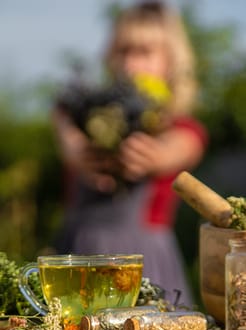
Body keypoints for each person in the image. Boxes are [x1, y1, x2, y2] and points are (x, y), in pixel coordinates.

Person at [51, 1, 208, 307]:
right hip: (78, 253)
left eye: (145, 52)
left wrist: (152, 154)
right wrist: (74, 147)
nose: (131, 64)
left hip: (143, 266)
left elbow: (181, 147)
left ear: (171, 62)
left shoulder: (180, 128)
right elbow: (61, 116)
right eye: (124, 50)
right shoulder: (87, 120)